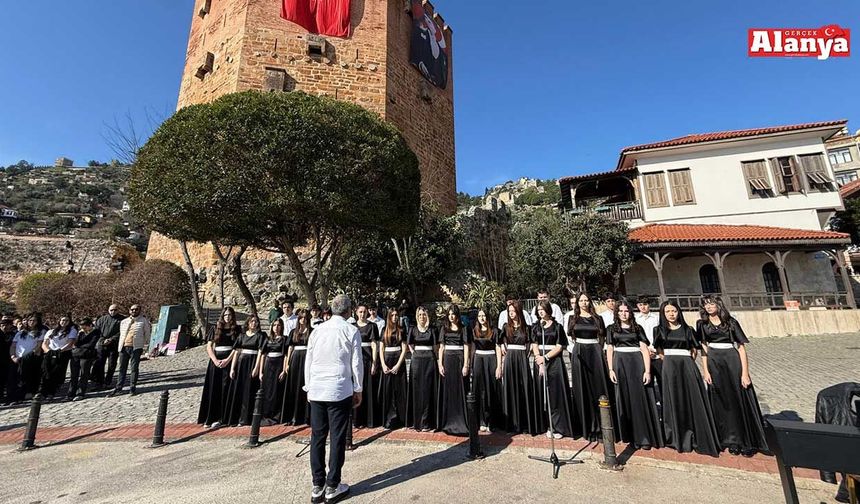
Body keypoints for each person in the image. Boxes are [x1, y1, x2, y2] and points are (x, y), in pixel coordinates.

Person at [303, 294, 363, 504]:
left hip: (318, 389)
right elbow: (356, 363)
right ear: (348, 311)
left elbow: (308, 360)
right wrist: (358, 388)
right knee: (337, 437)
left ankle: (317, 484)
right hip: (339, 389)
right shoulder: (351, 330)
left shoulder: (317, 330)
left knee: (317, 437)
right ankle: (333, 485)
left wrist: (308, 386)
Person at [697, 296, 768, 457]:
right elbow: (703, 348)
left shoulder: (731, 322)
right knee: (721, 400)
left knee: (737, 399)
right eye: (706, 305)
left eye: (711, 304)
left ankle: (745, 440)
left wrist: (745, 373)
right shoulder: (702, 324)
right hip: (714, 362)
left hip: (731, 360)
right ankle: (729, 439)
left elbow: (741, 348)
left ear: (718, 305)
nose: (708, 307)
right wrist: (706, 371)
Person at [654, 300, 720, 457]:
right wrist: (670, 362)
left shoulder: (688, 329)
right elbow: (660, 351)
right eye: (668, 311)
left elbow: (694, 350)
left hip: (687, 366)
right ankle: (677, 437)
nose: (671, 314)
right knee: (673, 400)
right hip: (670, 367)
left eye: (674, 311)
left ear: (679, 312)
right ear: (663, 314)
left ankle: (696, 435)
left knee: (693, 399)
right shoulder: (659, 330)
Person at [606, 300, 662, 449]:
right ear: (617, 313)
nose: (624, 314)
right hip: (620, 364)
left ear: (630, 312)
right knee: (624, 398)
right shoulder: (611, 329)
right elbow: (610, 349)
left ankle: (644, 437)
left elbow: (644, 349)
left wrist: (647, 371)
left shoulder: (637, 328)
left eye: (626, 311)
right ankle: (629, 435)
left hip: (636, 364)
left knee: (640, 399)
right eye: (621, 311)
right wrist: (611, 369)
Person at [567, 291, 610, 441]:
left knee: (598, 388)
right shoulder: (573, 318)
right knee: (582, 389)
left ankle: (601, 426)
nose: (584, 303)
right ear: (577, 303)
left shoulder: (598, 318)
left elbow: (602, 337)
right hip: (579, 353)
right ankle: (586, 427)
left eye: (586, 300)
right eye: (581, 300)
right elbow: (571, 336)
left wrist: (599, 350)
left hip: (595, 352)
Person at [532, 300, 575, 439]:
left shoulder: (557, 326)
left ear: (548, 310)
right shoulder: (536, 327)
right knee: (542, 393)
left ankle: (558, 426)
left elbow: (560, 345)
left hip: (554, 362)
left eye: (542, 309)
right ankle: (545, 424)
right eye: (538, 310)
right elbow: (534, 343)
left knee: (555, 394)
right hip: (540, 362)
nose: (540, 312)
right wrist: (539, 358)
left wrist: (546, 358)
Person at [197, 307, 240, 428]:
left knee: (225, 389)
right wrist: (215, 360)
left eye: (230, 315)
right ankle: (210, 417)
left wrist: (228, 360)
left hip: (229, 360)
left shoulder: (236, 329)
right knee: (213, 388)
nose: (228, 317)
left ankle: (222, 418)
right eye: (225, 315)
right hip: (215, 362)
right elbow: (209, 346)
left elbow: (237, 347)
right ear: (222, 316)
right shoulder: (215, 328)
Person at [499, 301, 536, 435]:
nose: (511, 314)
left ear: (519, 311)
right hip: (510, 358)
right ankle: (511, 424)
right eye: (509, 312)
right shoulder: (505, 327)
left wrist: (529, 350)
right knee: (510, 388)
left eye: (514, 311)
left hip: (521, 358)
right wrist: (502, 346)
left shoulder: (526, 327)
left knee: (523, 387)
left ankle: (525, 424)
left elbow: (531, 342)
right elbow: (499, 340)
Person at [437, 304, 472, 436]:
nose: (451, 316)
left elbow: (467, 347)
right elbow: (441, 347)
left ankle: (462, 422)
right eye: (449, 314)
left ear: (457, 315)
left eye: (454, 314)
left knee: (461, 389)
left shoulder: (463, 329)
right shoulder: (444, 329)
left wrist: (466, 364)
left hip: (459, 360)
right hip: (447, 360)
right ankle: (448, 422)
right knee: (449, 390)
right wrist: (440, 364)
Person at [226, 314, 265, 426]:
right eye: (252, 321)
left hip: (252, 362)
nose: (254, 323)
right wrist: (232, 368)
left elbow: (260, 352)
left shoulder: (260, 336)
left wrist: (256, 367)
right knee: (239, 390)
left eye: (256, 321)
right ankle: (236, 418)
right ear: (248, 323)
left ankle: (247, 418)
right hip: (241, 364)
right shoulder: (242, 336)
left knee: (250, 390)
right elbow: (237, 351)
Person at [406, 306, 438, 432]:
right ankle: (418, 422)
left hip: (430, 360)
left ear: (427, 316)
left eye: (424, 315)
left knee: (428, 390)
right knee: (417, 390)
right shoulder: (412, 329)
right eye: (419, 315)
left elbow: (435, 347)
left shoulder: (432, 329)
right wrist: (415, 353)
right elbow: (409, 344)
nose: (422, 317)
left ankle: (428, 422)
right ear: (416, 316)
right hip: (417, 362)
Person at [110, 305, 151, 397]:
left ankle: (132, 387)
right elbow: (121, 334)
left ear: (139, 310)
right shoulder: (124, 322)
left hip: (136, 347)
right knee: (122, 368)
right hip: (124, 347)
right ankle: (119, 387)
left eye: (136, 309)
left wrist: (147, 347)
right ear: (129, 311)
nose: (134, 311)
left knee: (134, 368)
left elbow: (147, 334)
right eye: (132, 309)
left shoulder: (143, 321)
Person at [471, 308, 502, 432]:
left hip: (491, 360)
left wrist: (499, 366)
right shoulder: (474, 331)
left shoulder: (494, 331)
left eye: (484, 315)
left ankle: (492, 421)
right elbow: (472, 348)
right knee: (479, 389)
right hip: (478, 360)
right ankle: (481, 420)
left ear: (488, 317)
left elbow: (498, 348)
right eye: (480, 316)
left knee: (491, 389)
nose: (482, 318)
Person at [379, 307, 408, 429]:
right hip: (387, 360)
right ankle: (388, 418)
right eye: (393, 315)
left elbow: (404, 349)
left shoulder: (402, 329)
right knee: (387, 391)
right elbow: (381, 348)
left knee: (400, 391)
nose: (395, 317)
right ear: (389, 317)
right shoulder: (384, 330)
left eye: (397, 315)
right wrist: (383, 364)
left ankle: (402, 419)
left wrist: (398, 365)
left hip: (398, 361)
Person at [352, 304, 381, 428]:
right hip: (356, 360)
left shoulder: (372, 326)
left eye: (364, 312)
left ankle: (369, 420)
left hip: (368, 360)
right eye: (360, 312)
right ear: (356, 312)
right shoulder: (352, 327)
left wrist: (374, 362)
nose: (362, 314)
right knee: (357, 388)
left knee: (368, 388)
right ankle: (357, 419)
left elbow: (374, 344)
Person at [282, 309, 312, 425]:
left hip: (307, 359)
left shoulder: (312, 331)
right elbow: (290, 347)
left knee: (306, 385)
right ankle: (293, 416)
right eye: (301, 318)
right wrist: (288, 363)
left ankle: (306, 416)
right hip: (295, 359)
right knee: (294, 386)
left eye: (305, 318)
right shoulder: (293, 332)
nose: (303, 320)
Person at [7, 313, 45, 403]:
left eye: (34, 320)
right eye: (30, 320)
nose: (31, 322)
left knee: (28, 377)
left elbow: (38, 346)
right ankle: (13, 397)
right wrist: (13, 356)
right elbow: (13, 346)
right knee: (15, 378)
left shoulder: (41, 332)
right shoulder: (20, 333)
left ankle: (27, 394)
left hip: (31, 358)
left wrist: (28, 356)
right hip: (17, 359)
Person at [40, 314, 77, 399]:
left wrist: (59, 351)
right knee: (46, 372)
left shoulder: (72, 330)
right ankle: (43, 392)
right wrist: (49, 351)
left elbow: (70, 343)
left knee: (57, 373)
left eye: (66, 320)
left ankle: (52, 392)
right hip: (50, 353)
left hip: (62, 353)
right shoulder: (51, 331)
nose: (64, 322)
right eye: (62, 320)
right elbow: (45, 343)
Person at [259, 318, 288, 426]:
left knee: (277, 390)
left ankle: (277, 416)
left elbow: (286, 355)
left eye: (279, 325)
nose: (276, 327)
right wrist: (261, 371)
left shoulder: (285, 339)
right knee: (267, 390)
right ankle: (266, 414)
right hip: (268, 365)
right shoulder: (267, 339)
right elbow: (263, 354)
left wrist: (284, 370)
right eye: (274, 325)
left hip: (279, 365)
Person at [635, 296, 662, 404]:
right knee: (647, 383)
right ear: (637, 306)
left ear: (649, 305)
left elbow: (660, 335)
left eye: (645, 304)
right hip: (642, 355)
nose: (643, 307)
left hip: (656, 354)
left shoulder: (656, 318)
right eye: (640, 305)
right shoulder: (635, 320)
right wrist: (645, 351)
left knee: (662, 382)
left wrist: (654, 349)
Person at [92, 304, 124, 390]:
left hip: (114, 345)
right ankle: (99, 383)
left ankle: (108, 382)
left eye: (115, 310)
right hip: (102, 345)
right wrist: (102, 340)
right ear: (108, 310)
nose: (113, 311)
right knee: (99, 364)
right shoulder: (102, 319)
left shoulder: (122, 320)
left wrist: (111, 339)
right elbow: (97, 331)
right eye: (111, 310)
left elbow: (122, 332)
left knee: (112, 364)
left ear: (118, 310)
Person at [68, 317, 100, 401]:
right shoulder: (81, 333)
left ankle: (80, 392)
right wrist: (79, 335)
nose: (83, 328)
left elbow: (91, 344)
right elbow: (76, 343)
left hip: (86, 356)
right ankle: (71, 392)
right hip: (76, 355)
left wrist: (80, 346)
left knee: (84, 374)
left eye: (85, 326)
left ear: (89, 325)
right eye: (82, 326)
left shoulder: (95, 332)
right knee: (74, 375)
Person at [0, 315, 16, 404]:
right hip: (1, 360)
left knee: (9, 379)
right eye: (2, 325)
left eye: (6, 325)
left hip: (9, 359)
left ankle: (9, 397)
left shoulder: (12, 335)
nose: (4, 327)